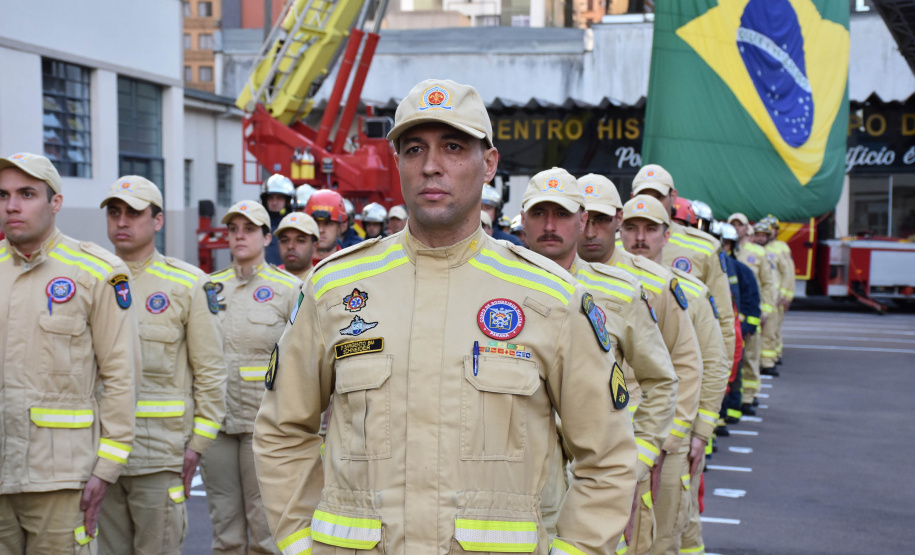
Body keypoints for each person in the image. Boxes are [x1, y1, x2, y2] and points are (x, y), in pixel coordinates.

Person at [253, 78, 637, 555]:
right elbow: (281, 430)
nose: (431, 166)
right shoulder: (333, 288)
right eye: (414, 149)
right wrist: (297, 543)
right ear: (397, 163)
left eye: (453, 147)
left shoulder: (549, 296)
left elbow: (609, 457)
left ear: (489, 163)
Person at [520, 168, 678, 543]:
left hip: (589, 478)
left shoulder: (620, 293)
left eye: (561, 214)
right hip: (517, 481)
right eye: (539, 214)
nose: (549, 225)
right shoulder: (494, 288)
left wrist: (638, 458)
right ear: (522, 221)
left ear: (582, 220)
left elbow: (660, 379)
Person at [0, 153, 140, 553]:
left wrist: (107, 469)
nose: (12, 205)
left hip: (63, 480)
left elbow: (121, 376)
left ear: (55, 202)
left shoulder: (98, 272)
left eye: (26, 194)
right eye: (3, 194)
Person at [97, 176, 226, 555]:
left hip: (160, 455)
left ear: (157, 221)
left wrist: (197, 447)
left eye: (134, 213)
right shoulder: (90, 279)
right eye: (114, 212)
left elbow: (211, 373)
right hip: (100, 456)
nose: (122, 222)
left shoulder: (187, 285)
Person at [577, 175, 701, 555]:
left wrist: (662, 447)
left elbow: (682, 366)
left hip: (636, 440)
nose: (590, 230)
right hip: (575, 444)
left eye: (601, 220)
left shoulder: (654, 284)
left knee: (643, 540)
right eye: (583, 218)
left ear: (617, 219)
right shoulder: (547, 276)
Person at [203, 200, 301, 555]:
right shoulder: (209, 289)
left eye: (248, 229)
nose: (239, 236)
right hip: (218, 424)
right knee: (225, 527)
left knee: (264, 528)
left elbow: (301, 357)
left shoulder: (288, 289)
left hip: (264, 424)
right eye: (233, 229)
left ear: (266, 236)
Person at [620, 195, 707, 555]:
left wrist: (683, 435)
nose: (640, 237)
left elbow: (702, 367)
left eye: (650, 229)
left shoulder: (687, 292)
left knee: (659, 540)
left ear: (666, 235)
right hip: (609, 437)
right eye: (631, 227)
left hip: (662, 440)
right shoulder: (588, 283)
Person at [629, 165, 736, 391]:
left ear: (673, 197)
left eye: (658, 196)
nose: (651, 202)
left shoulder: (704, 247)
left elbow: (723, 319)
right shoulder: (617, 243)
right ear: (631, 198)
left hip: (685, 375)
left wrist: (717, 384)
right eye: (643, 196)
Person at [727, 213, 775, 415]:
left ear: (747, 229)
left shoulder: (757, 253)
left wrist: (765, 310)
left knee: (751, 357)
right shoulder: (723, 250)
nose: (737, 228)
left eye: (740, 225)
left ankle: (749, 396)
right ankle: (737, 399)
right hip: (732, 315)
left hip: (751, 312)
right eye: (733, 225)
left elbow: (767, 283)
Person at [718, 222, 760, 425]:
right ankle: (720, 417)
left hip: (737, 333)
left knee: (735, 374)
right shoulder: (709, 268)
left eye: (727, 243)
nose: (723, 247)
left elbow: (752, 302)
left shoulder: (742, 271)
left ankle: (732, 412)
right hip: (716, 332)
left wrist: (747, 329)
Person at [303, 189, 355, 264]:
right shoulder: (292, 267)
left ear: (341, 227)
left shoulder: (351, 266)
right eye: (316, 223)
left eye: (328, 223)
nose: (320, 230)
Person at [261, 174, 296, 266]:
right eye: (271, 198)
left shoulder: (295, 225)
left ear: (287, 201)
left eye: (279, 198)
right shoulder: (259, 225)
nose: (274, 202)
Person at [276, 211, 320, 281]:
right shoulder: (267, 282)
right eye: (284, 240)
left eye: (300, 240)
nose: (290, 246)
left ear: (315, 245)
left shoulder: (322, 283)